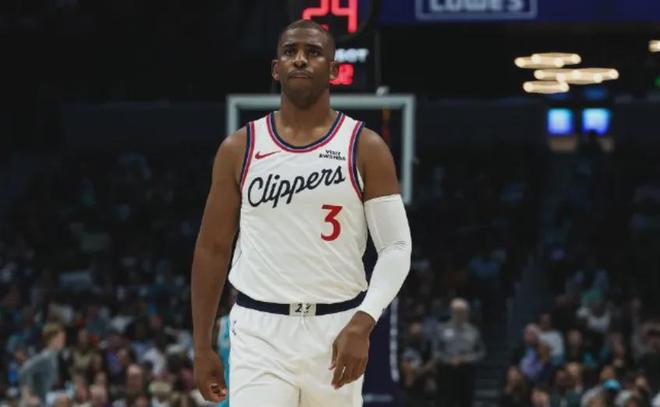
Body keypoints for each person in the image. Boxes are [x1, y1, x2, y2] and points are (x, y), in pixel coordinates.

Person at [190, 19, 412, 407]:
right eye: (290, 51)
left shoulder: (365, 147)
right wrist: (201, 345)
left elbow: (396, 247)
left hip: (337, 327)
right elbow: (212, 248)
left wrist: (364, 321)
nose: (300, 60)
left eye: (313, 52)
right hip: (259, 330)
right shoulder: (239, 148)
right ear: (276, 69)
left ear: (334, 68)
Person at [433, 298, 485, 407]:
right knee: (445, 402)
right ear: (451, 312)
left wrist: (466, 359)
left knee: (466, 401)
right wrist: (448, 360)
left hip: (466, 371)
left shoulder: (473, 331)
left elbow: (481, 352)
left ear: (467, 313)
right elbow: (436, 351)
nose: (459, 314)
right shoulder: (441, 329)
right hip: (447, 372)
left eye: (462, 311)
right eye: (456, 311)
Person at [18, 323, 67, 404]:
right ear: (52, 339)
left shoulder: (55, 357)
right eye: (61, 338)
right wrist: (27, 397)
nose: (63, 342)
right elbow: (23, 371)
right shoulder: (45, 357)